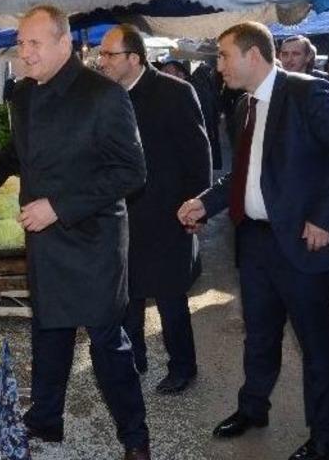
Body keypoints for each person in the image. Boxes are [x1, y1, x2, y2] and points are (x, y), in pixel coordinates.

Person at [0, 5, 150, 460]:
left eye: (35, 43)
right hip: (45, 237)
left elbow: (131, 172)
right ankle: (46, 419)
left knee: (107, 343)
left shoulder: (104, 95)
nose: (24, 53)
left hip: (94, 240)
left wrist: (60, 207)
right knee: (49, 331)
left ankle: (135, 436)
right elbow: (19, 150)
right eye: (21, 43)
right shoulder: (23, 94)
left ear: (64, 44)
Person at [177, 21, 329, 460]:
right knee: (259, 336)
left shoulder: (306, 92)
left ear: (253, 55)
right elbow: (245, 174)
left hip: (303, 244)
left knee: (317, 347)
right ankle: (252, 408)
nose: (219, 66)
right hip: (256, 242)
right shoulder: (245, 105)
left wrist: (325, 218)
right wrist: (205, 202)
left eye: (224, 56)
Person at [98, 25, 212, 394]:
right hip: (122, 214)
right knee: (127, 295)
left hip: (168, 214)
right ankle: (135, 358)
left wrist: (198, 206)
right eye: (101, 54)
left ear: (134, 58)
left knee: (170, 297)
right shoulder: (107, 95)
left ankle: (183, 367)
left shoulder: (175, 92)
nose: (102, 61)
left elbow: (199, 155)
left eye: (109, 54)